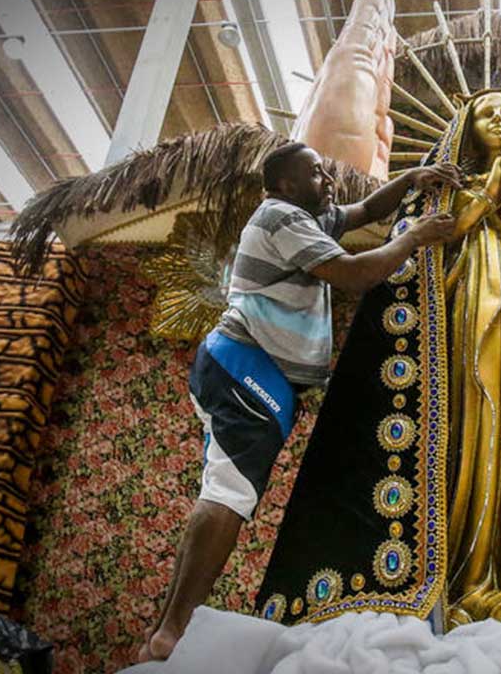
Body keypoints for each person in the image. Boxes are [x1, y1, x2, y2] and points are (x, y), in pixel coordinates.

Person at [138, 142, 460, 662]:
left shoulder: (304, 217)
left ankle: (168, 627)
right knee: (229, 495)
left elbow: (365, 212)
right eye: (315, 173)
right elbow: (357, 272)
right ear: (284, 184)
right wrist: (416, 236)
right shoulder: (280, 217)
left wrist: (411, 179)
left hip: (251, 368)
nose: (327, 181)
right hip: (247, 365)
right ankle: (171, 629)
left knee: (225, 490)